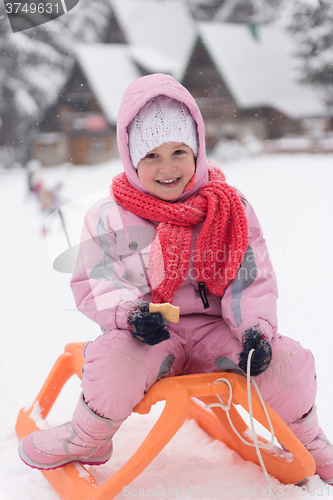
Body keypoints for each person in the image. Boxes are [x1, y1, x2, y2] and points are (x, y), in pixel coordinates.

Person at [18, 73, 333, 483]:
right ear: (131, 159)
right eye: (151, 156)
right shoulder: (109, 216)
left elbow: (251, 276)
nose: (168, 168)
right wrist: (131, 314)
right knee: (112, 361)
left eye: (178, 151)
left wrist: (256, 329)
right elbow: (94, 281)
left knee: (286, 361)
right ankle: (89, 435)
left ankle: (308, 440)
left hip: (217, 331)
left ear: (198, 150)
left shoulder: (230, 208)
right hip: (149, 334)